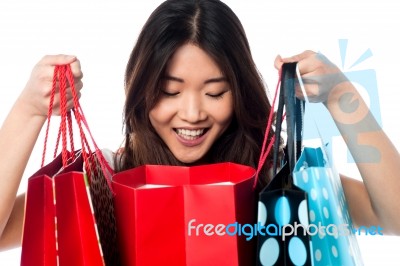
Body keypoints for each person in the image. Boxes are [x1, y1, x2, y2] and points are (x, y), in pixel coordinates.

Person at [1, 0, 399, 253]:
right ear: (140, 91)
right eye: (169, 92)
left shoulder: (278, 176)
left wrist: (343, 98)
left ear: (240, 91)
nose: (191, 113)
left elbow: (394, 217)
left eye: (215, 92)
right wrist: (29, 111)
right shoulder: (105, 179)